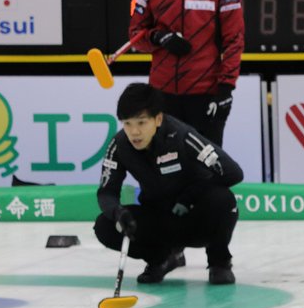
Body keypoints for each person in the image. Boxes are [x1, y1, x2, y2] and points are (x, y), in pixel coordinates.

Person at [95, 83, 241, 285]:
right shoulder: (119, 145)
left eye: (141, 123)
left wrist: (190, 196)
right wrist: (117, 212)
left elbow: (233, 172)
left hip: (195, 217)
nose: (134, 132)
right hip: (159, 219)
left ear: (158, 119)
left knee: (224, 199)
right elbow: (106, 192)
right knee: (104, 225)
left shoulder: (182, 136)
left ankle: (219, 261)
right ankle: (162, 258)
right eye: (127, 124)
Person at [130, 0, 244, 148]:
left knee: (206, 170)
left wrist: (225, 89)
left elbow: (234, 42)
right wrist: (158, 37)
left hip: (205, 95)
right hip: (162, 95)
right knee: (165, 168)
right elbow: (135, 35)